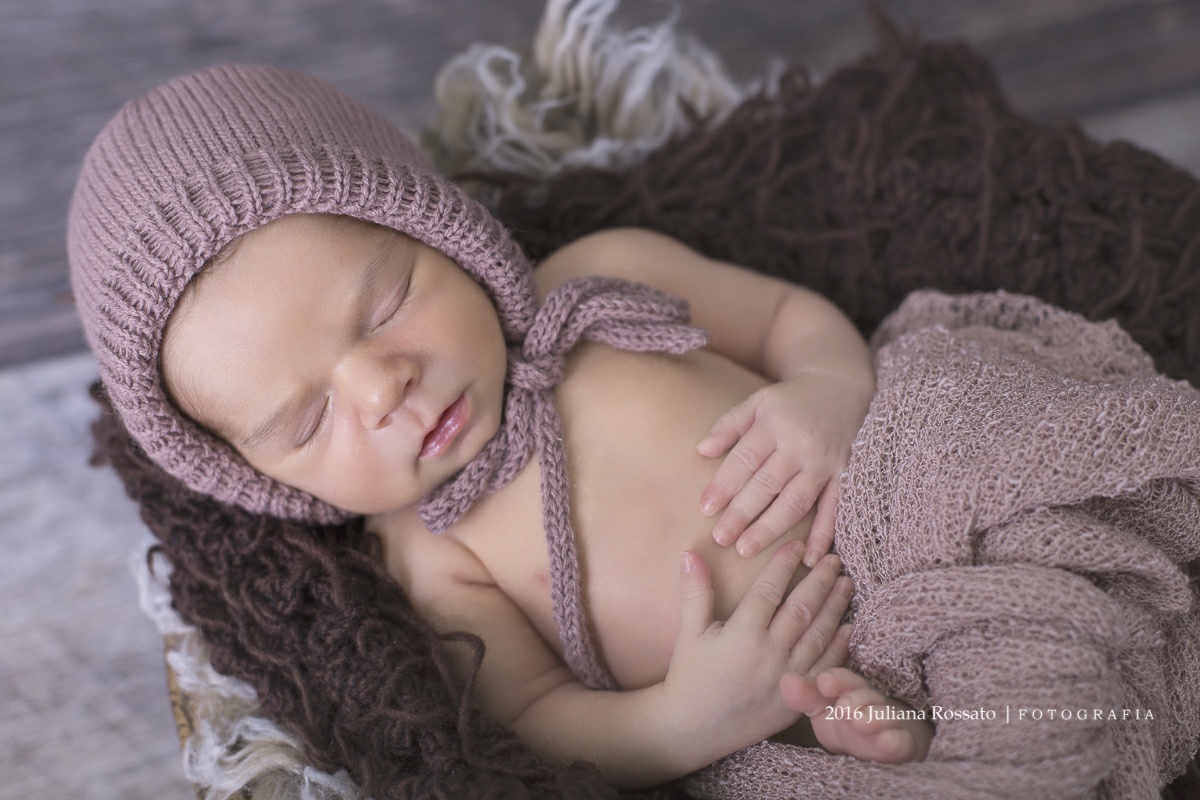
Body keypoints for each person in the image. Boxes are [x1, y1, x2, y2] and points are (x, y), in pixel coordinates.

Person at [68, 64, 932, 789]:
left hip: (915, 513)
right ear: (263, 483)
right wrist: (682, 723)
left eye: (386, 304)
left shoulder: (601, 280)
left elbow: (783, 315)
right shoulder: (430, 554)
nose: (382, 389)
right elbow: (538, 717)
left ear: (443, 232)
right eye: (309, 421)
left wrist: (827, 387)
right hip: (789, 709)